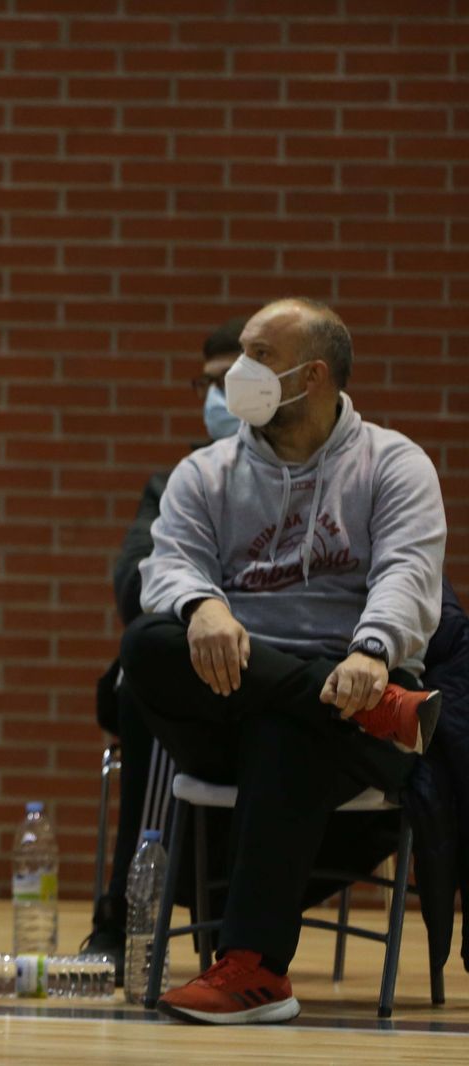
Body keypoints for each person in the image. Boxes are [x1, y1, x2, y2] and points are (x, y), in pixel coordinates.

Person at [121, 297, 447, 1024]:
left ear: (315, 375)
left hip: (347, 673)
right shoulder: (205, 472)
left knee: (286, 726)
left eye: (261, 355)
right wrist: (203, 605)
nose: (241, 371)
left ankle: (255, 971)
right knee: (147, 643)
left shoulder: (394, 465)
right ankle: (385, 715)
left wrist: (373, 653)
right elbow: (166, 564)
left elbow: (408, 575)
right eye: (243, 351)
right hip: (258, 692)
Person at [83, 318, 247, 974]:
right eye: (204, 384)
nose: (213, 398)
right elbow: (133, 584)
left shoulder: (320, 481)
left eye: (228, 382)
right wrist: (206, 607)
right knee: (141, 674)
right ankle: (126, 918)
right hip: (193, 674)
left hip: (277, 673)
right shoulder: (180, 482)